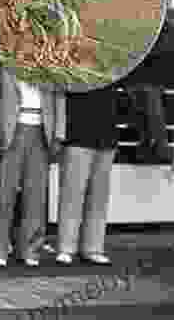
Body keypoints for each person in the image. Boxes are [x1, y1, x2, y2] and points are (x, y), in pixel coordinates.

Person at [0, 59, 65, 267]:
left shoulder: (51, 61)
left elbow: (59, 98)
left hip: (41, 131)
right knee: (4, 192)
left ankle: (31, 249)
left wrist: (58, 134)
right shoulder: (0, 62)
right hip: (10, 131)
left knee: (36, 194)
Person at [56, 85, 119, 266]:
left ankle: (93, 248)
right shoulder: (75, 64)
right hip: (78, 132)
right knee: (72, 193)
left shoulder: (116, 66)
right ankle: (66, 248)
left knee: (99, 196)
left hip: (107, 131)